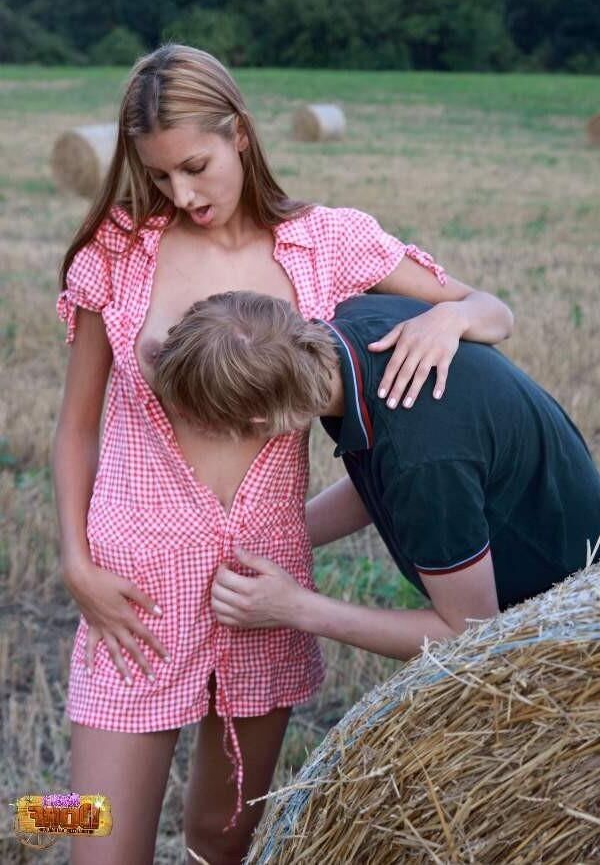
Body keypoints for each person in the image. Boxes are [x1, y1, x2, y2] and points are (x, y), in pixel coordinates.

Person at [52, 43, 513, 865]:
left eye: (194, 166)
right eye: (159, 177)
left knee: (222, 839)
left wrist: (451, 317)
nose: (180, 194)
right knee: (95, 837)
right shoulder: (118, 253)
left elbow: (492, 308)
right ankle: (23, 819)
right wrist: (76, 565)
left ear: (240, 132)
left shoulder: (325, 243)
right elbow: (77, 426)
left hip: (262, 592)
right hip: (134, 591)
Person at [153, 290, 600, 662]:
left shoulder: (423, 462)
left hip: (567, 613)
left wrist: (295, 607)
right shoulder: (351, 329)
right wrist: (280, 535)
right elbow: (380, 483)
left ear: (256, 421)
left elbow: (468, 632)